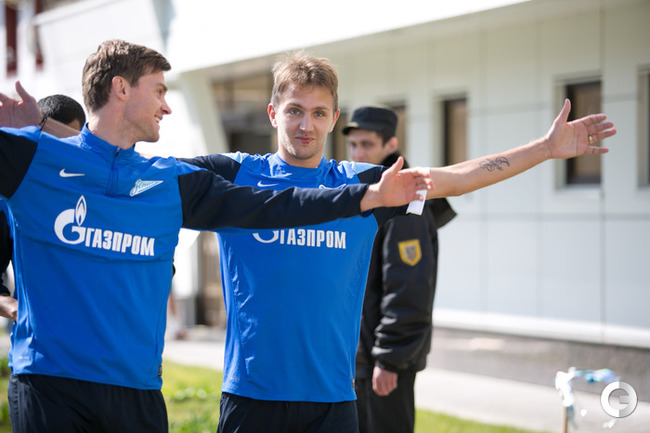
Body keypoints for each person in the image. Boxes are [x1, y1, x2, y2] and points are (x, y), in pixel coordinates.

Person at [0, 40, 431, 433]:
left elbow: (276, 206)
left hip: (142, 392)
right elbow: (112, 161)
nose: (167, 106)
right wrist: (46, 132)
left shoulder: (169, 182)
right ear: (121, 88)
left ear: (333, 118)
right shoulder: (39, 160)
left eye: (319, 113)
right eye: (159, 91)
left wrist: (370, 196)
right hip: (54, 382)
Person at [177, 51, 615, 433]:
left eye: (318, 113)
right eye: (294, 110)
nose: (306, 125)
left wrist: (545, 148)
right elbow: (153, 177)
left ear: (334, 118)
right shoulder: (236, 175)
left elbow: (456, 178)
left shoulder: (364, 185)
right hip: (252, 397)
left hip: (331, 402)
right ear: (273, 113)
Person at [344, 105, 455, 433]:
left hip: (383, 364)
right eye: (353, 145)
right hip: (362, 358)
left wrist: (390, 358)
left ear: (391, 145)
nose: (358, 153)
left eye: (367, 144)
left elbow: (409, 287)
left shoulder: (406, 202)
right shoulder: (370, 193)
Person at [0, 93, 86, 320]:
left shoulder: (105, 191)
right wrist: (20, 311)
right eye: (50, 142)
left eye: (68, 141)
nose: (59, 151)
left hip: (107, 337)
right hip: (39, 339)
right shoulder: (9, 200)